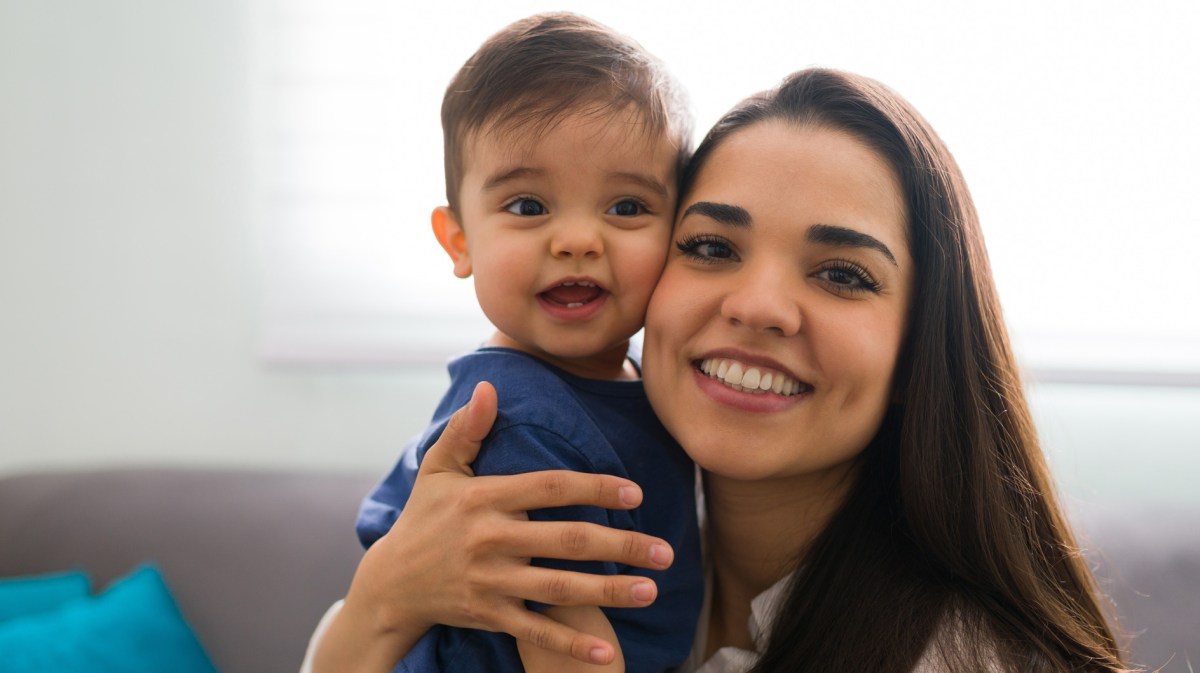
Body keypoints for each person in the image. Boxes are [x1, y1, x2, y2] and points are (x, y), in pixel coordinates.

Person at [307, 68, 1133, 672]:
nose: (758, 306)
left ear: (921, 347)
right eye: (710, 247)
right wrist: (384, 598)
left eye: (842, 272)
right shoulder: (562, 516)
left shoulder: (961, 657)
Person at [315, 12, 703, 673]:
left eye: (627, 207)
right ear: (459, 241)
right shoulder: (525, 430)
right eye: (528, 206)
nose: (577, 239)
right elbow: (567, 644)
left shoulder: (631, 377)